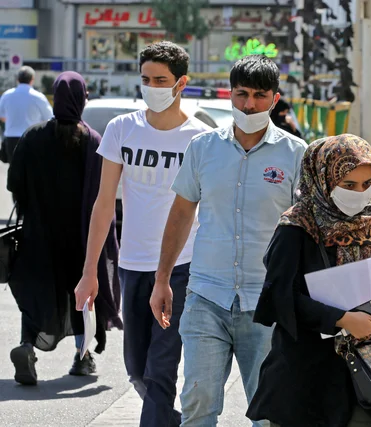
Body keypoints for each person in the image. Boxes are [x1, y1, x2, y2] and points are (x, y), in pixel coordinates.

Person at [152, 54, 306, 426]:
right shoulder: (203, 148)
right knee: (199, 401)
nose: (248, 104)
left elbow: (308, 230)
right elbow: (181, 215)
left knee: (269, 411)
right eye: (241, 94)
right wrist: (162, 280)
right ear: (229, 95)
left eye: (258, 95)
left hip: (267, 302)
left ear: (274, 98)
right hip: (207, 295)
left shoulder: (297, 154)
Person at [75, 42, 211, 427]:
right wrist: (89, 273)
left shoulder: (200, 138)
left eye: (161, 80)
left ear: (181, 82)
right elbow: (104, 206)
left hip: (182, 267)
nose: (151, 86)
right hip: (132, 266)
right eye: (146, 79)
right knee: (136, 368)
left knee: (160, 369)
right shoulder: (121, 129)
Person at [246, 134, 371, 427]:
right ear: (323, 177)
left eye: (367, 184)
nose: (359, 193)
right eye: (349, 185)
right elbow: (278, 297)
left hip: (367, 368)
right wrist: (340, 319)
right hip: (306, 374)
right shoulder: (297, 226)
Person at [7, 71, 122, 385]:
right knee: (82, 296)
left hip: (38, 236)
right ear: (82, 99)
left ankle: (28, 346)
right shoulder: (94, 142)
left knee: (37, 292)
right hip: (81, 240)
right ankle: (82, 358)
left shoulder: (32, 137)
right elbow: (104, 192)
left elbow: (13, 183)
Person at [0, 66, 53, 163]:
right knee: (31, 172)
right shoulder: (39, 97)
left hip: (11, 138)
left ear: (17, 79)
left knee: (13, 172)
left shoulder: (6, 95)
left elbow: (2, 117)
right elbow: (50, 118)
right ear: (32, 80)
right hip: (32, 138)